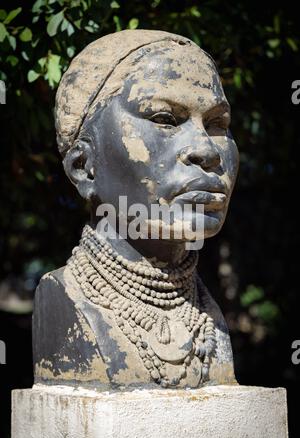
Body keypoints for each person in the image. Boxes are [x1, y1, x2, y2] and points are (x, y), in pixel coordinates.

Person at [33, 30, 239, 389]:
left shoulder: (208, 318)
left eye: (217, 124)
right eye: (165, 119)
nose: (206, 151)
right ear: (84, 166)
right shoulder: (64, 300)